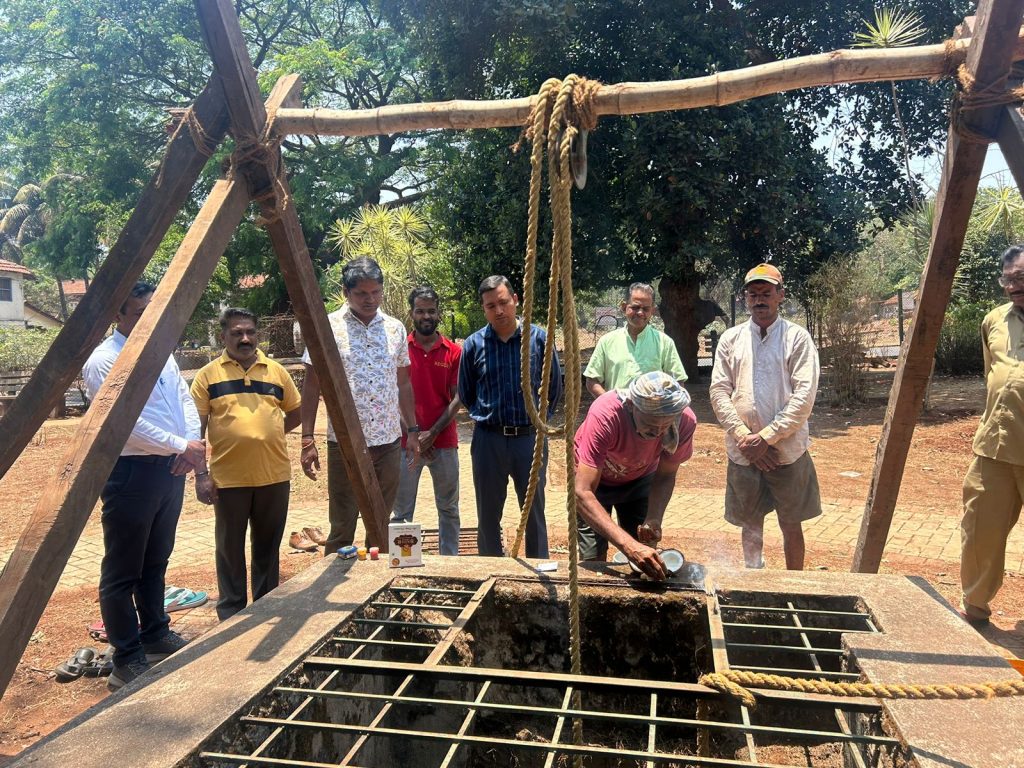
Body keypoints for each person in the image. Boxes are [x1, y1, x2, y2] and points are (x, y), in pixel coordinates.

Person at [83, 281, 205, 691]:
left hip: (169, 469)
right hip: (131, 472)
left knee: (156, 560)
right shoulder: (105, 361)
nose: (146, 321)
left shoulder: (161, 353)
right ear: (118, 316)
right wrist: (179, 444)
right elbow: (123, 424)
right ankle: (126, 657)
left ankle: (154, 634)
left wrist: (189, 448)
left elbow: (185, 401)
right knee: (123, 571)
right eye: (138, 313)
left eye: (152, 312)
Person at [299, 257, 419, 553]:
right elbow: (312, 385)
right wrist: (306, 438)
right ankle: (335, 589)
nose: (370, 299)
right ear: (345, 292)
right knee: (342, 526)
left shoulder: (394, 329)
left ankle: (377, 589)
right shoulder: (326, 327)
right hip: (345, 444)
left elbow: (403, 382)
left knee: (380, 523)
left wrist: (413, 431)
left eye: (376, 292)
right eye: (361, 294)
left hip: (389, 442)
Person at [190, 308, 302, 620]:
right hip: (228, 480)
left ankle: (265, 608)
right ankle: (231, 613)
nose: (245, 338)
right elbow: (194, 430)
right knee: (229, 549)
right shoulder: (208, 376)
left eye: (250, 332)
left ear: (258, 334)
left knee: (268, 546)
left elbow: (295, 411)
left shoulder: (276, 372)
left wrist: (268, 433)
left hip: (274, 475)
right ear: (223, 336)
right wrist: (201, 474)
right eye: (237, 333)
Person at [709, 263, 821, 570]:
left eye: (766, 293)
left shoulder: (797, 338)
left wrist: (767, 438)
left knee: (791, 523)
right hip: (744, 451)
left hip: (785, 451)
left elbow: (804, 397)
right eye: (753, 293)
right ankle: (754, 580)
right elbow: (719, 391)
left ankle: (795, 586)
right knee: (751, 525)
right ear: (745, 298)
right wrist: (746, 439)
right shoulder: (731, 339)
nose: (760, 300)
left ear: (780, 296)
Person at [459, 275, 561, 558]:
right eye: (491, 306)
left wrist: (537, 422)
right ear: (484, 309)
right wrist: (489, 415)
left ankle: (539, 572)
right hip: (488, 441)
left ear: (516, 300)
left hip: (528, 439)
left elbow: (554, 387)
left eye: (504, 302)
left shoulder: (540, 339)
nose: (499, 311)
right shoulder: (473, 344)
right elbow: (466, 393)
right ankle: (491, 568)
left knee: (534, 512)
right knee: (488, 514)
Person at [575, 372, 697, 579]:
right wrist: (628, 546)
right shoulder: (606, 414)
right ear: (631, 406)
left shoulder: (684, 420)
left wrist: (654, 517)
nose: (658, 432)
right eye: (650, 423)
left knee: (645, 557)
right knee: (594, 558)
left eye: (665, 425)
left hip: (640, 479)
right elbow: (582, 493)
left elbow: (666, 474)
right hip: (595, 483)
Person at [959, 244, 1024, 627]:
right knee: (979, 529)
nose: (1015, 286)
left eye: (1022, 278)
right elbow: (992, 376)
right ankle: (975, 608)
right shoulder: (994, 321)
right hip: (996, 447)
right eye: (1010, 279)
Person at [391, 287, 462, 555]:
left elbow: (457, 399)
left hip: (444, 443)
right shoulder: (401, 350)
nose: (426, 315)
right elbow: (393, 394)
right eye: (420, 310)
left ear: (439, 313)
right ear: (412, 313)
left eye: (431, 310)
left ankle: (450, 565)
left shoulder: (454, 352)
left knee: (448, 509)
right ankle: (403, 562)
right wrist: (414, 436)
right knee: (402, 511)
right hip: (407, 445)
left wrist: (430, 434)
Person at [584, 282, 686, 396]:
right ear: (624, 307)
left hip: (653, 412)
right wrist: (611, 404)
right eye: (635, 307)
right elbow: (592, 380)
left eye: (646, 309)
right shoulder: (607, 342)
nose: (640, 313)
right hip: (617, 412)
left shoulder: (664, 343)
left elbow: (677, 382)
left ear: (652, 310)